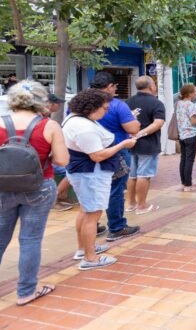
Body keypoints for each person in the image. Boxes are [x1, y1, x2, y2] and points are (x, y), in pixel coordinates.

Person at [0, 81, 68, 305]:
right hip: (38, 187)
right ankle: (26, 292)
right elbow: (62, 161)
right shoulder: (49, 126)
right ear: (42, 101)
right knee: (30, 240)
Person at [64, 88, 137, 271]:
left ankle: (84, 249)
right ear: (92, 107)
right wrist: (123, 144)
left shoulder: (76, 120)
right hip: (91, 174)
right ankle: (90, 258)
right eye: (104, 108)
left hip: (85, 173)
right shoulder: (83, 127)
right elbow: (97, 155)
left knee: (85, 211)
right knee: (92, 215)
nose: (106, 112)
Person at [90, 71, 140, 242]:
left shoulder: (80, 103)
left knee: (92, 189)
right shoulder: (117, 105)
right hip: (115, 152)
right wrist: (133, 119)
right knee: (115, 190)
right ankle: (116, 227)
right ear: (110, 87)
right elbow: (133, 129)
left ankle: (91, 225)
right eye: (115, 87)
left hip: (86, 153)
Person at [125, 76, 165, 215]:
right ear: (151, 86)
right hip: (148, 145)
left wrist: (132, 135)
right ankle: (142, 206)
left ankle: (131, 204)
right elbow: (158, 123)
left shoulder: (128, 102)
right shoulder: (156, 103)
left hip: (130, 144)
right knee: (144, 175)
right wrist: (140, 134)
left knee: (133, 175)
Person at [43, 93, 73, 211]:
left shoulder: (46, 119)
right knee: (72, 170)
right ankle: (54, 200)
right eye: (57, 103)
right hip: (45, 162)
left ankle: (62, 196)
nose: (59, 105)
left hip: (44, 160)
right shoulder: (46, 122)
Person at [176, 84, 196, 192]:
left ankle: (184, 182)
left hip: (182, 134)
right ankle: (188, 185)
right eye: (195, 91)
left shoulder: (179, 103)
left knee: (183, 159)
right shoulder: (190, 104)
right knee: (189, 160)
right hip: (191, 135)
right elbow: (193, 121)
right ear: (189, 93)